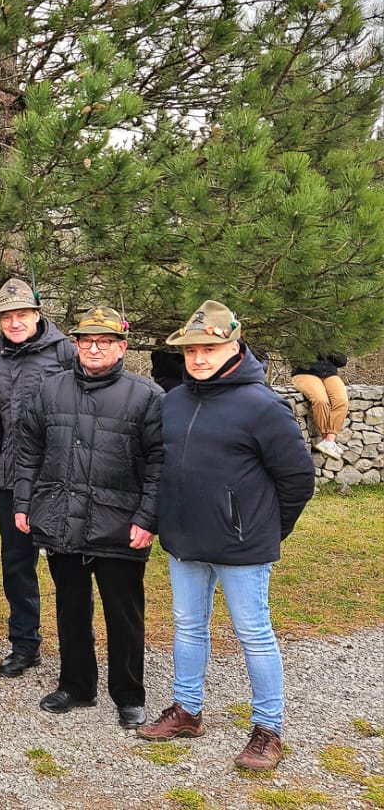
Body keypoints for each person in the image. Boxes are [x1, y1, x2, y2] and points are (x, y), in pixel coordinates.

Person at [138, 301, 315, 771]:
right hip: (184, 542)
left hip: (243, 547)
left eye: (209, 349)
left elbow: (298, 480)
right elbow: (164, 467)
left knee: (254, 635)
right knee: (188, 626)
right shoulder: (173, 401)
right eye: (191, 350)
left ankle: (267, 729)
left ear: (233, 346)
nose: (198, 358)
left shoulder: (262, 406)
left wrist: (265, 530)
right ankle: (187, 711)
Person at [14, 306, 164, 729]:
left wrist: (148, 517)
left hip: (120, 524)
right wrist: (24, 504)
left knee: (124, 613)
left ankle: (129, 693)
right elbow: (28, 452)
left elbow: (159, 465)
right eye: (85, 341)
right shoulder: (50, 390)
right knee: (71, 608)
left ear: (122, 347)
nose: (93, 349)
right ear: (75, 345)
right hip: (63, 519)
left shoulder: (147, 396)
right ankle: (76, 684)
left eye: (104, 342)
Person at [0, 277, 77, 677]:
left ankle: (76, 648)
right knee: (16, 564)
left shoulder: (66, 353)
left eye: (22, 315)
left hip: (56, 479)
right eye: (7, 317)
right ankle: (24, 643)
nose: (14, 322)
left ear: (37, 315)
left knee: (66, 567)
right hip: (8, 478)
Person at [289, 352, 348, 461]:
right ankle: (327, 440)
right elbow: (291, 355)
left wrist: (329, 349)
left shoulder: (333, 337)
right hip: (305, 374)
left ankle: (329, 441)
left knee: (342, 401)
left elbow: (342, 361)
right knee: (321, 400)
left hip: (330, 375)